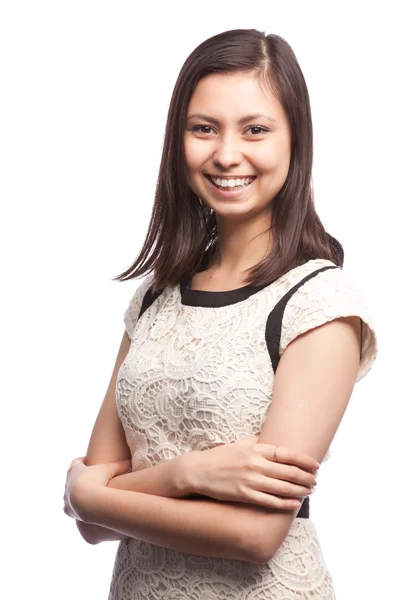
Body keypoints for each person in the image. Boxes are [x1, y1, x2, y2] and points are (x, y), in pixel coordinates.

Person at [63, 29, 378, 599]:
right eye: (203, 128)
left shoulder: (318, 303)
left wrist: (95, 493)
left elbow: (255, 533)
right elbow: (91, 523)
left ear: (294, 141)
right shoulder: (156, 298)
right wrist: (186, 476)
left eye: (255, 129)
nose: (227, 154)